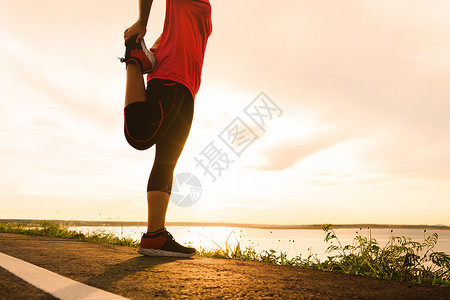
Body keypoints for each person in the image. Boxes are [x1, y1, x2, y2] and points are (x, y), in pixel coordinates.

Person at [121, 0, 212, 257]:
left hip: (189, 85)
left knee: (167, 162)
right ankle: (132, 59)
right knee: (140, 135)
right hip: (170, 73)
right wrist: (142, 22)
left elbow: (179, 29)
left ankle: (155, 236)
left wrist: (160, 41)